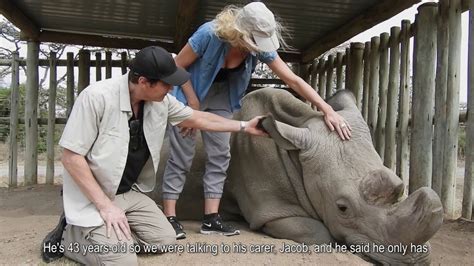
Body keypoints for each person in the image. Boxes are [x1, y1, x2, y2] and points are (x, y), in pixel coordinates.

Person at [40, 46, 267, 265]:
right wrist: (105, 206)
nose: (171, 89)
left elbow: (198, 118)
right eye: (166, 84)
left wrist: (245, 125)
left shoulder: (161, 101)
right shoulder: (96, 97)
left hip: (127, 193)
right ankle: (68, 237)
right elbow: (71, 157)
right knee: (122, 261)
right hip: (95, 195)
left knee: (164, 239)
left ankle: (112, 239)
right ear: (143, 82)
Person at [162, 2, 352, 239]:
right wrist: (192, 103)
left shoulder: (259, 47)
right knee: (182, 155)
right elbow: (176, 67)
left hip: (223, 96)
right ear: (240, 33)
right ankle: (169, 217)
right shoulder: (208, 34)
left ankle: (211, 219)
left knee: (221, 156)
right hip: (189, 92)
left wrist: (327, 109)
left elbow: (292, 80)